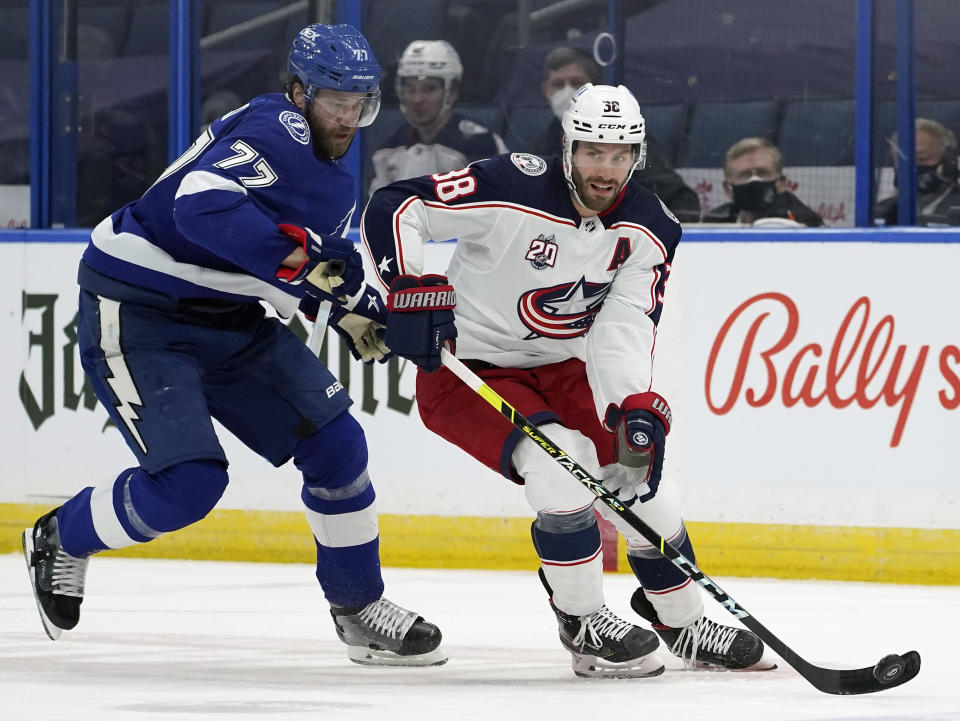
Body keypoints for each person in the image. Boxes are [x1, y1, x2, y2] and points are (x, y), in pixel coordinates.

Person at [21, 23, 447, 668]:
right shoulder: (276, 129)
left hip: (228, 317)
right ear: (298, 92)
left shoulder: (334, 178)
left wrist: (358, 311)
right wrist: (303, 267)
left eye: (360, 102)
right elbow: (201, 207)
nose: (349, 117)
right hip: (140, 312)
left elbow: (298, 269)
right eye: (335, 100)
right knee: (187, 486)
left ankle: (358, 607)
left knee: (337, 446)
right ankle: (62, 535)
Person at [360, 84, 770, 678]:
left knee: (648, 487)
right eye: (593, 153)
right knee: (560, 467)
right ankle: (581, 622)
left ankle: (682, 625)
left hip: (564, 369)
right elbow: (398, 205)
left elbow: (624, 324)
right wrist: (407, 284)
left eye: (621, 154)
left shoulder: (650, 225)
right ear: (568, 148)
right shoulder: (511, 185)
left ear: (639, 155)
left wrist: (632, 405)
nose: (606, 170)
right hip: (468, 370)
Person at [527, 46, 700, 223]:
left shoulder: (627, 139)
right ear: (545, 90)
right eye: (558, 84)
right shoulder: (539, 147)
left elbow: (682, 202)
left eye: (576, 83)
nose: (567, 92)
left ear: (594, 88)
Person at [368, 40, 507, 196]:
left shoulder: (479, 143)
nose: (417, 99)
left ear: (452, 91)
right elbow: (377, 211)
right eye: (410, 88)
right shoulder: (391, 147)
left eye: (430, 89)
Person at [703, 137, 823, 226]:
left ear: (781, 183)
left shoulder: (803, 221)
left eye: (762, 173)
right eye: (744, 175)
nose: (754, 180)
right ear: (727, 189)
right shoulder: (713, 222)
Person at [875, 117, 960, 226]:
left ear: (949, 163)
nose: (911, 169)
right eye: (902, 162)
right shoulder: (882, 211)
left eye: (922, 159)